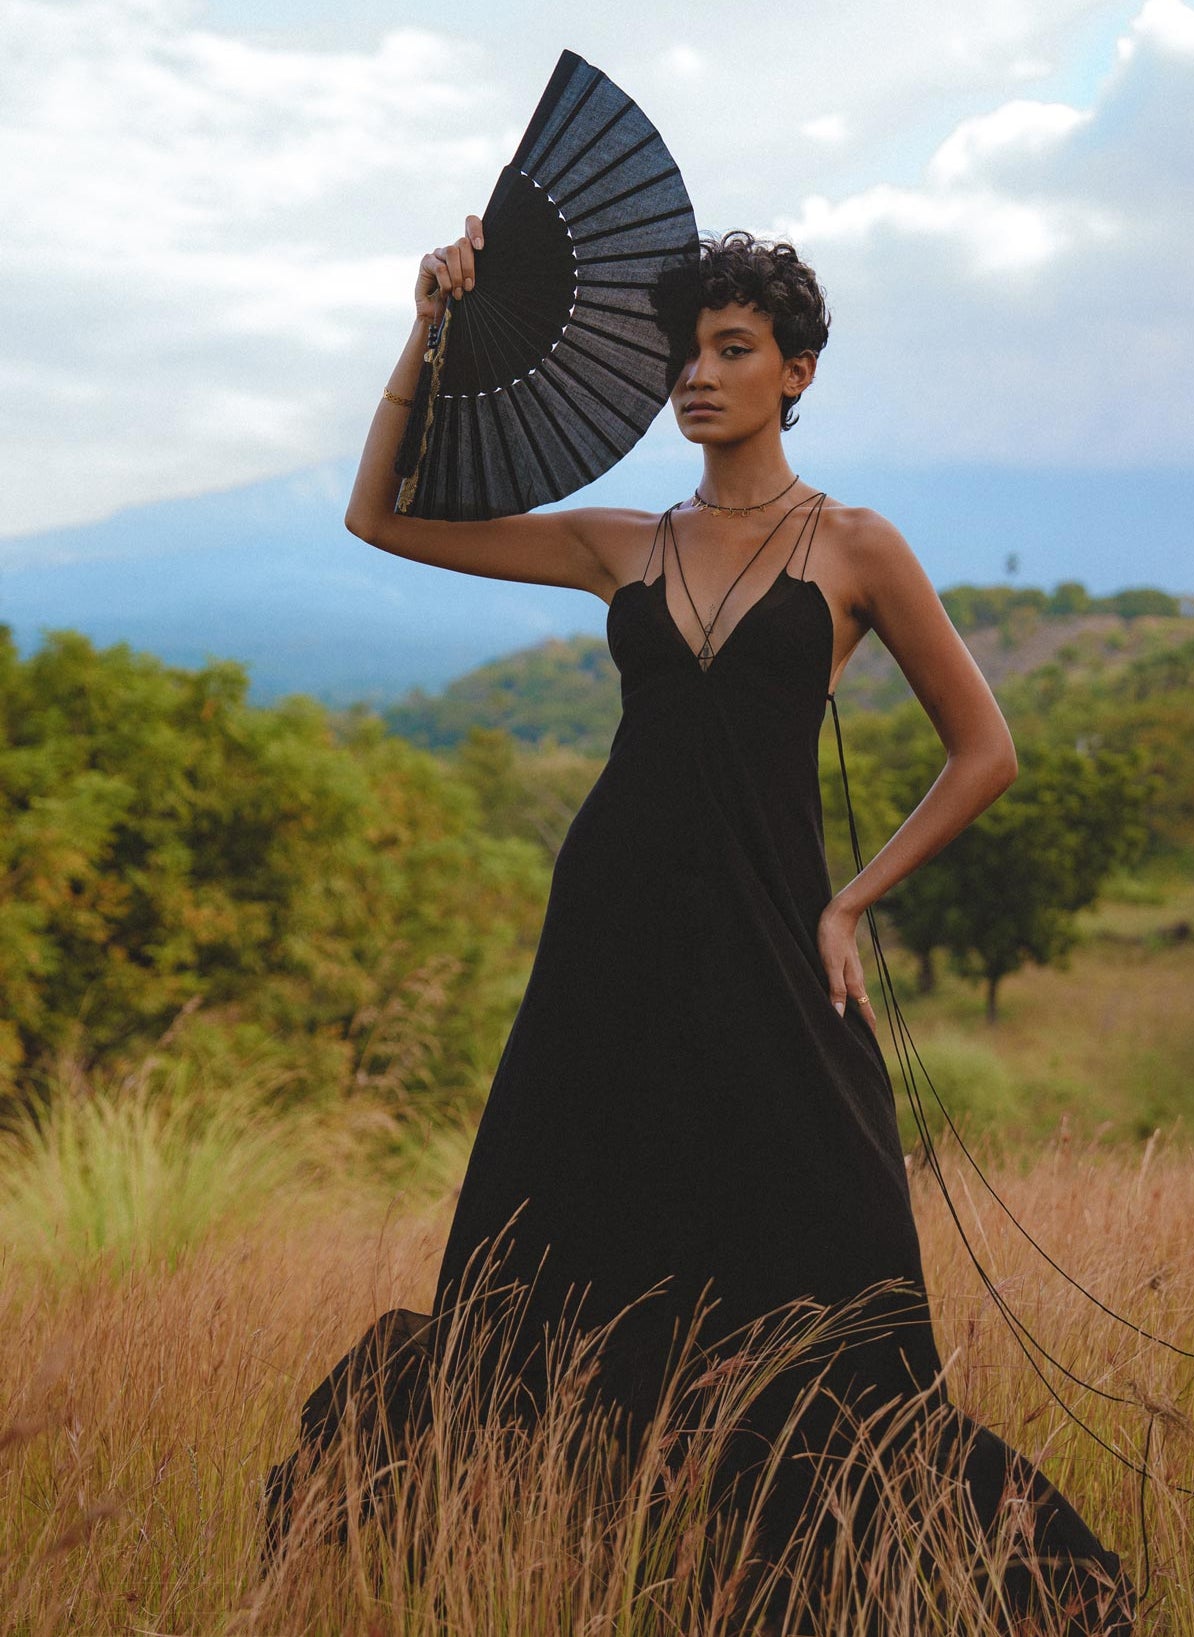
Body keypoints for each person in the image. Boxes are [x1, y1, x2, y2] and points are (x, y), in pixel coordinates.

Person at [263, 218, 1135, 1634]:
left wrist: (852, 900)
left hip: (774, 938)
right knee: (553, 1250)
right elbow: (378, 516)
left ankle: (867, 1574)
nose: (698, 373)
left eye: (732, 348)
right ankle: (555, 1546)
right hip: (607, 940)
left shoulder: (857, 545)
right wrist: (427, 323)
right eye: (684, 349)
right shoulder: (624, 541)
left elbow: (985, 751)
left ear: (796, 370)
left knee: (830, 1253)